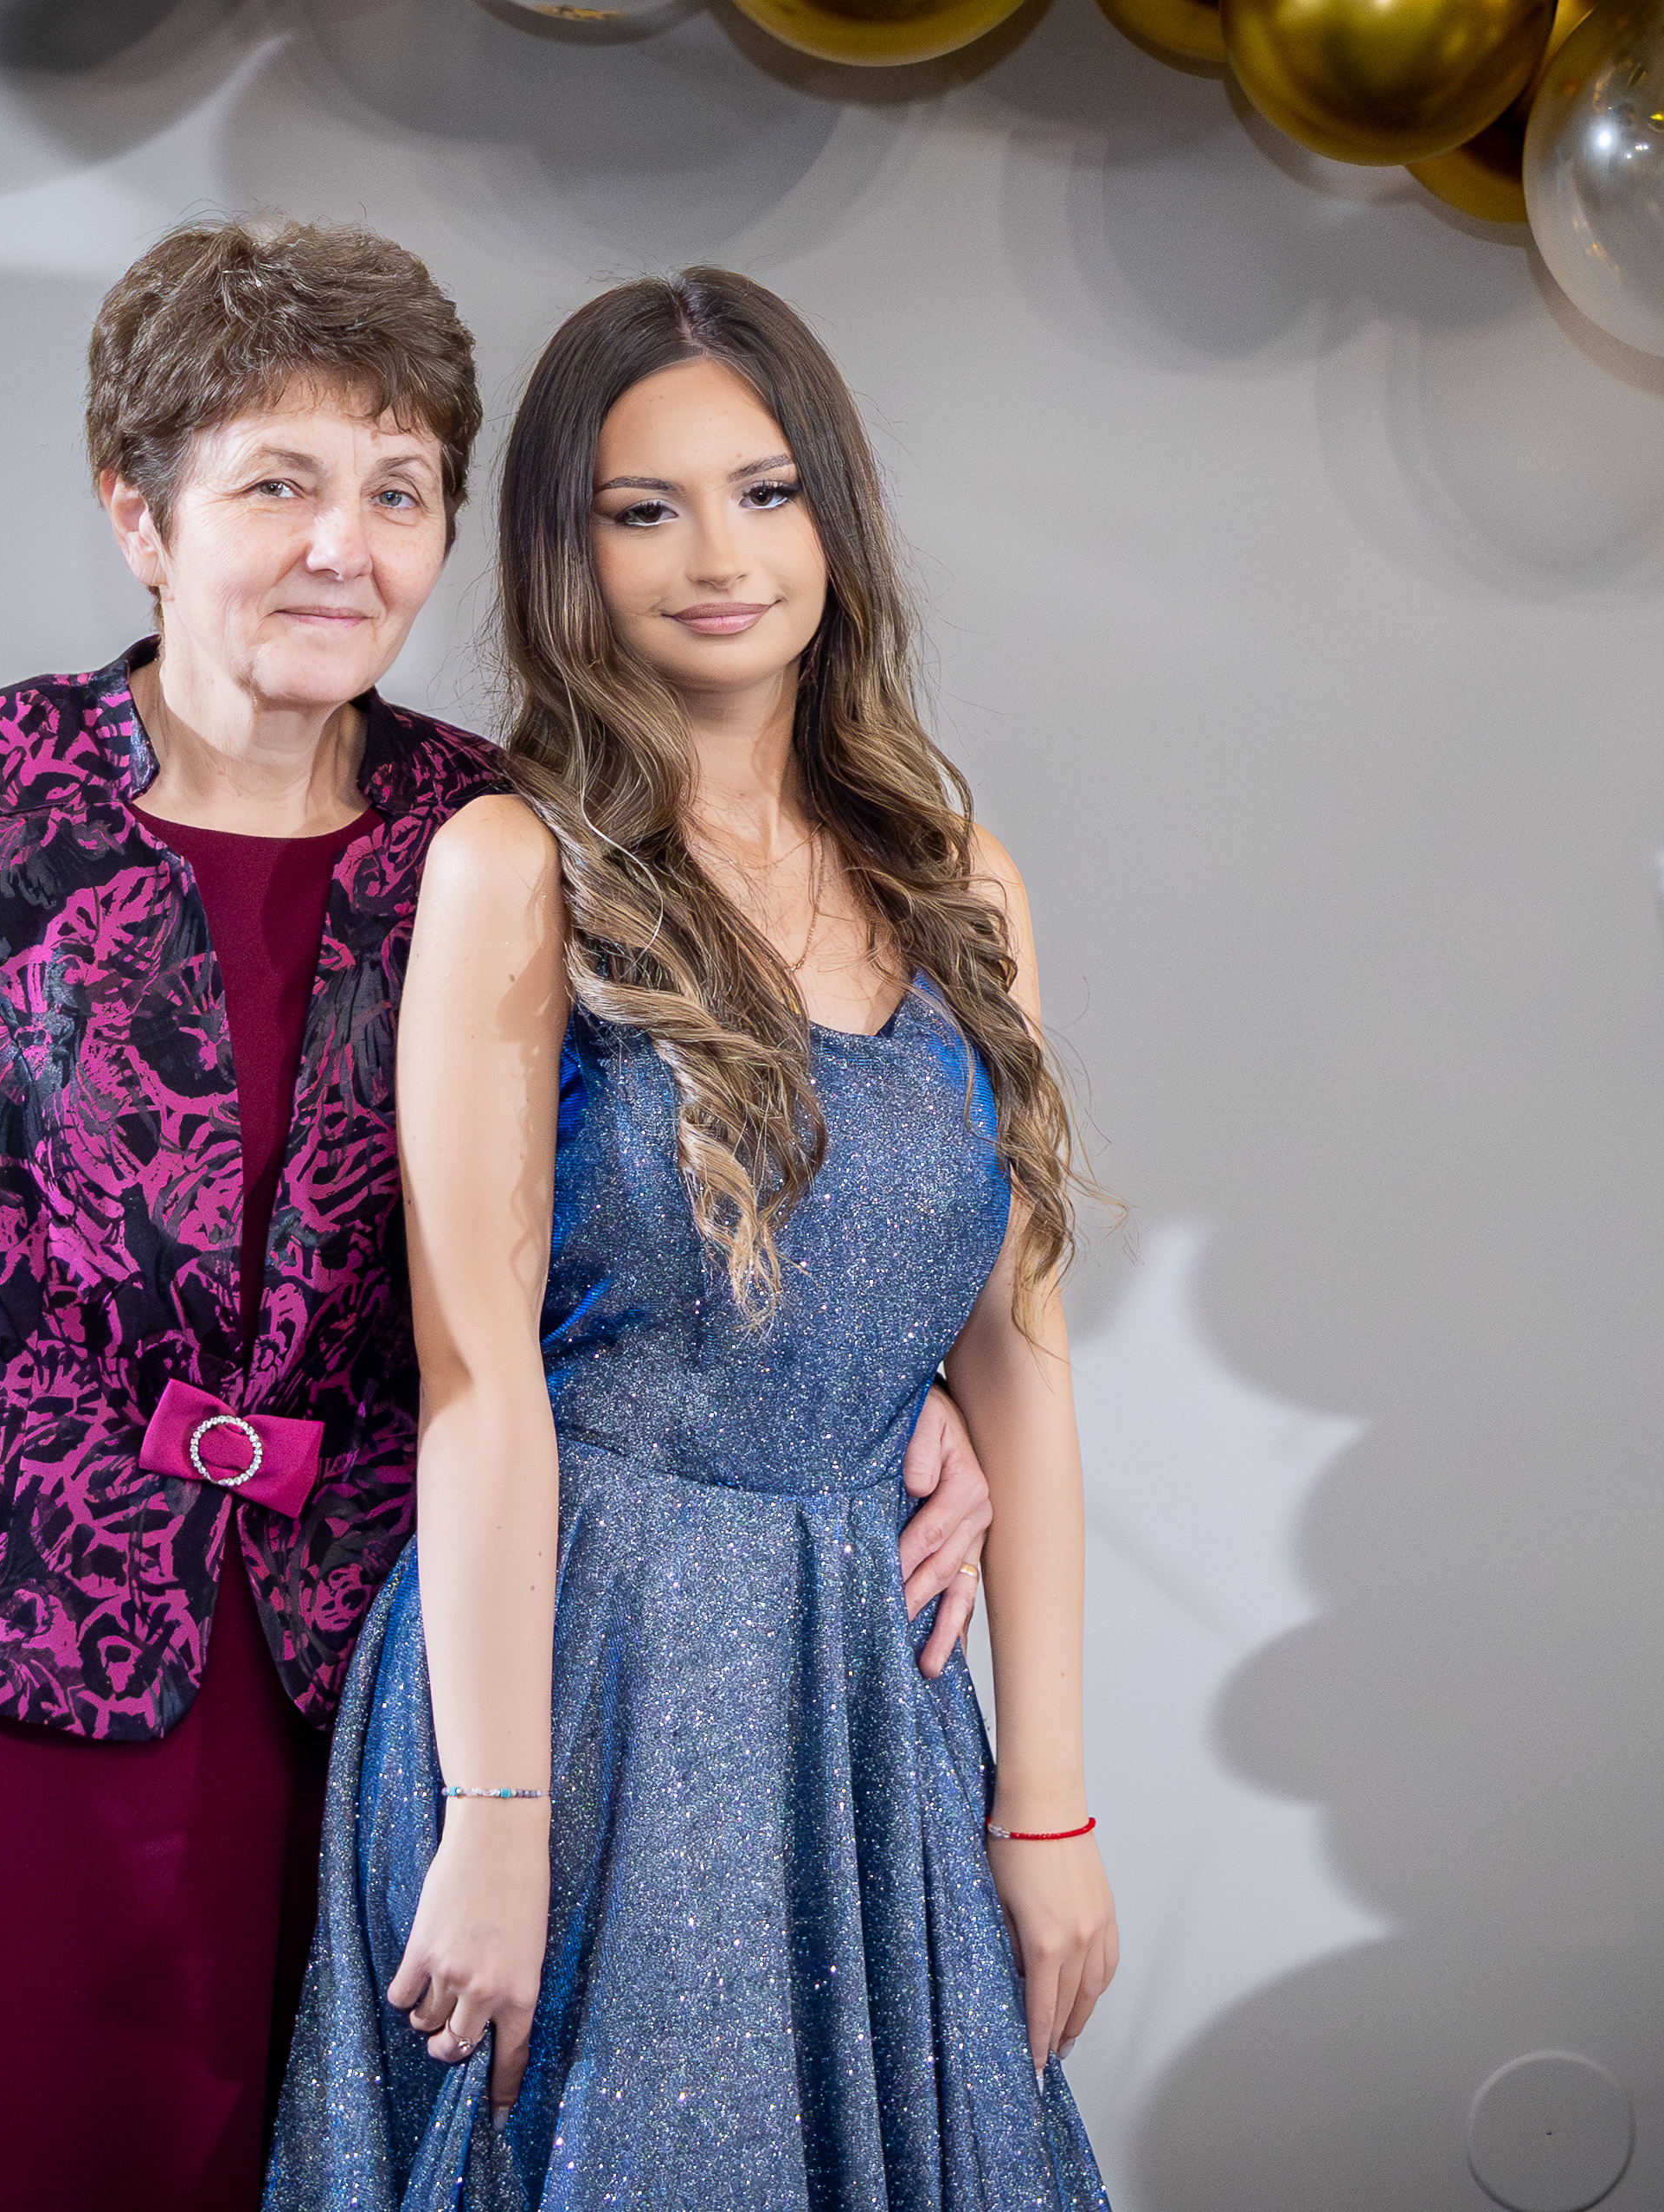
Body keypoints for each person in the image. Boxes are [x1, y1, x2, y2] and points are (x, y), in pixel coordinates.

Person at [0, 221, 1001, 2212]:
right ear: (138, 511)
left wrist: (888, 1392)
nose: (342, 548)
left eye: (397, 492)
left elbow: (644, 1223)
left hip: (345, 1715)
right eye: (276, 485)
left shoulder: (507, 837)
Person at [267, 268, 1116, 2209]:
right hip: (582, 1667)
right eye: (641, 511)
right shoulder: (514, 868)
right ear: (566, 558)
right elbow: (476, 1377)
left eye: (763, 492)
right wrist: (497, 1808)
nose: (716, 559)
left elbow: (1020, 1363)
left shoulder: (960, 882)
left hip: (866, 1686)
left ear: (834, 515)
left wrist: (1049, 1802)